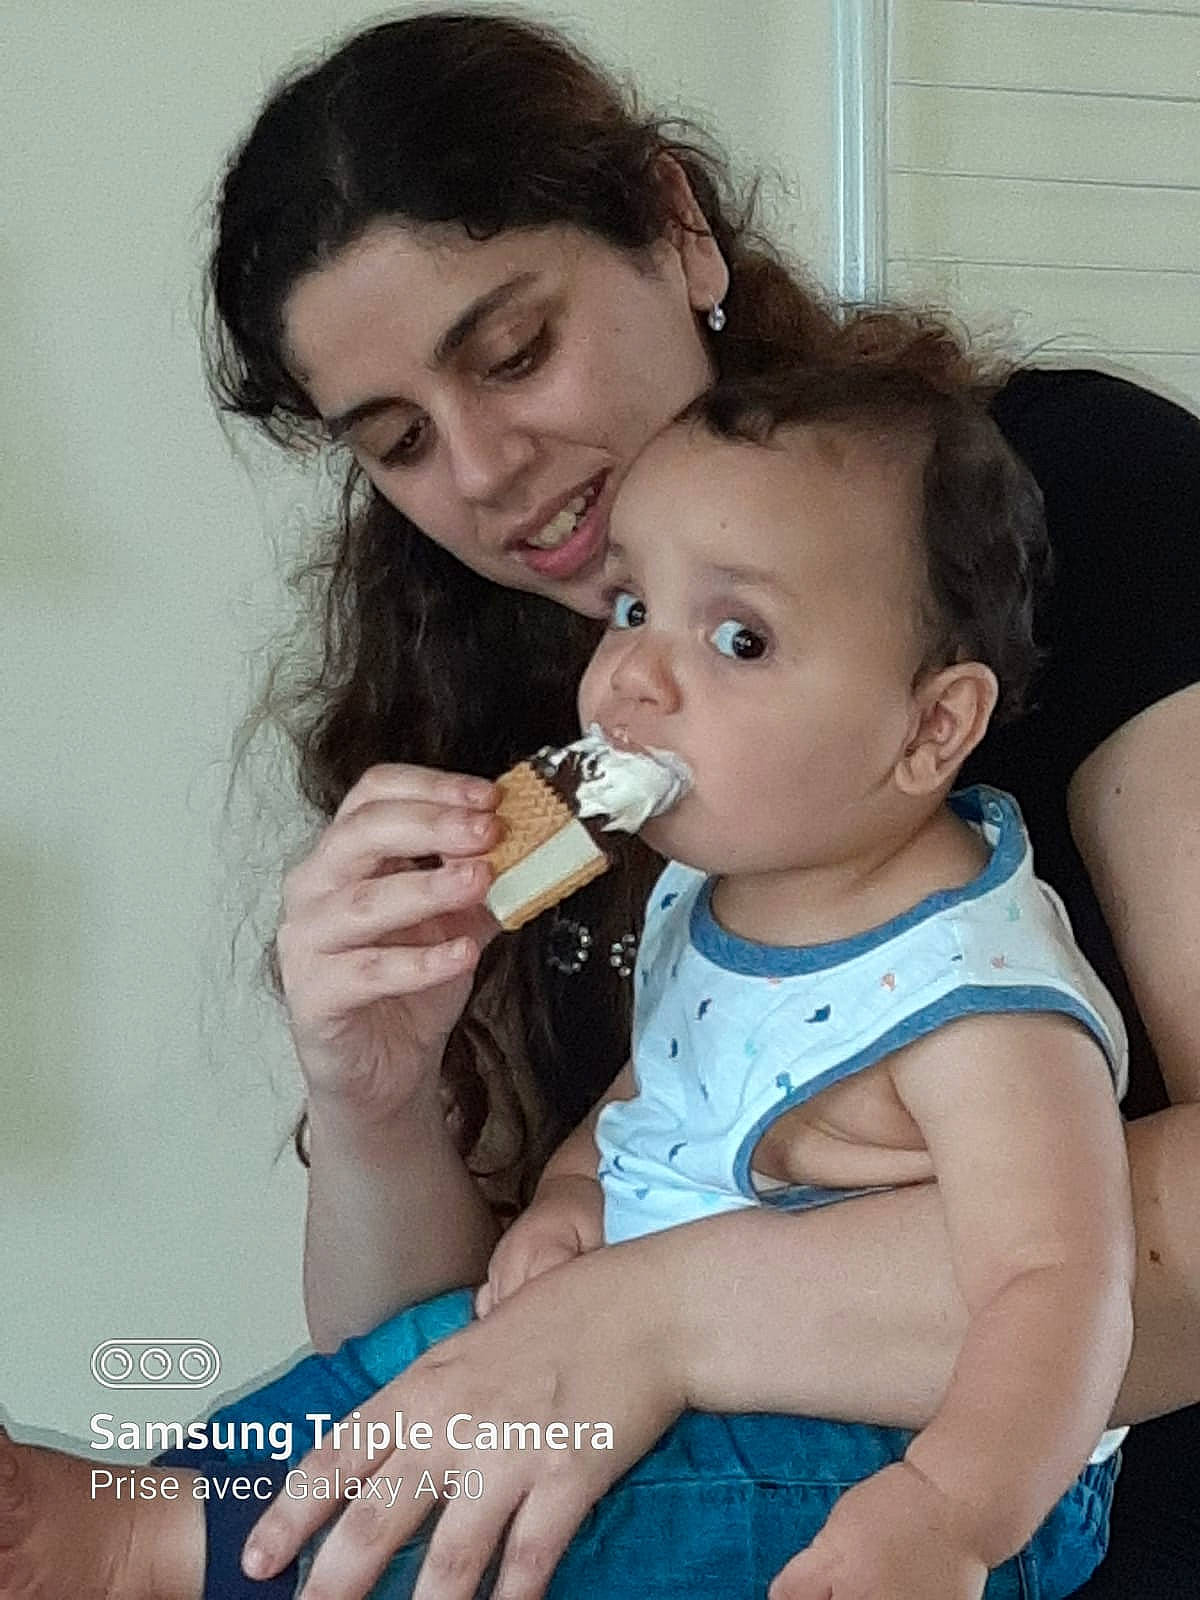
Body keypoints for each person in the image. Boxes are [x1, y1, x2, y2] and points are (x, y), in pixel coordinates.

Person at [2, 9, 1199, 1600]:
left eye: (514, 352)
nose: (487, 469)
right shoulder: (527, 721)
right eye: (402, 443)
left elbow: (609, 1339)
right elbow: (457, 1357)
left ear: (676, 230)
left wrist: (663, 1313)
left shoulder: (1054, 513)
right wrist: (374, 1100)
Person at [472, 356, 1136, 1600]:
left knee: (442, 1526)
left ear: (932, 728)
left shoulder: (970, 992)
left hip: (902, 1460)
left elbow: (1062, 1283)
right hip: (695, 1382)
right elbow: (665, 1086)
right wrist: (572, 1195)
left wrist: (949, 1510)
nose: (633, 678)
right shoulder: (720, 884)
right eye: (629, 610)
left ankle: (148, 1543)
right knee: (398, 1399)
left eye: (738, 638)